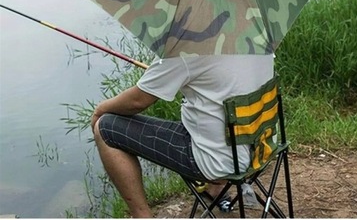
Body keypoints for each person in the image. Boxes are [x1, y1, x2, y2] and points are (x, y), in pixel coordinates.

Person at [92, 54, 274, 218]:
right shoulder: (259, 36)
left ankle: (142, 215)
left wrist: (100, 110)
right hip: (262, 149)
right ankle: (216, 189)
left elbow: (136, 101)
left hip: (218, 162)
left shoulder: (187, 49)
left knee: (106, 127)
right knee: (212, 123)